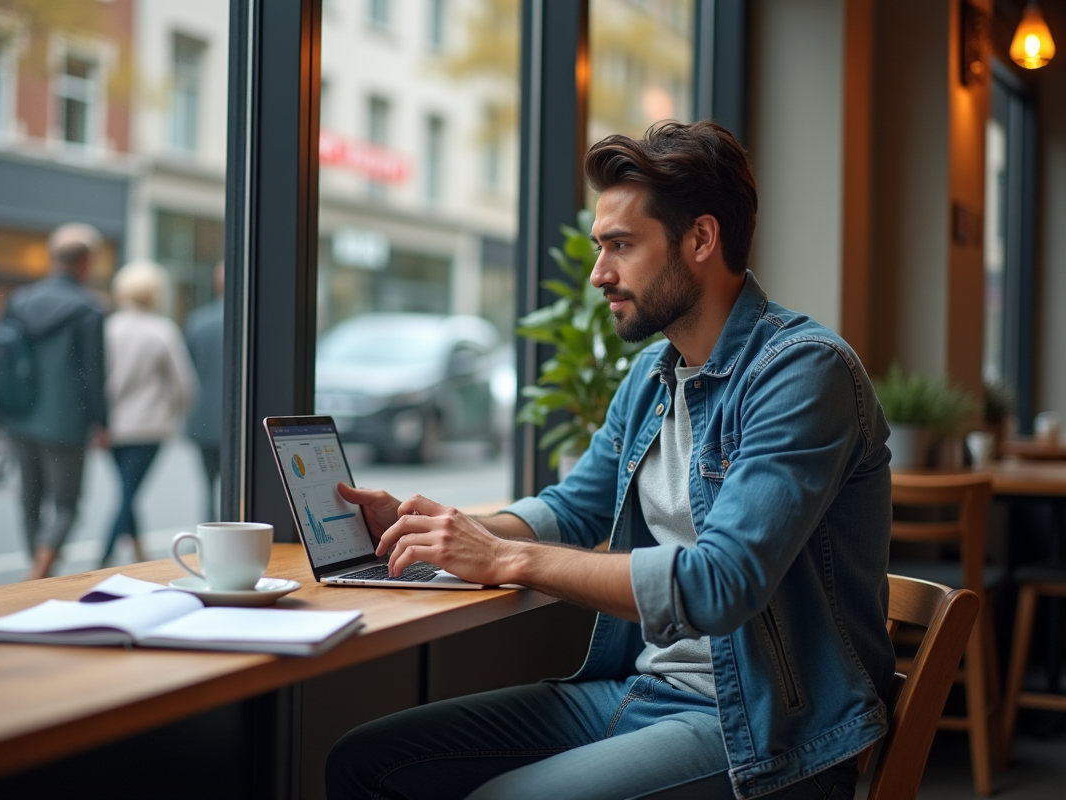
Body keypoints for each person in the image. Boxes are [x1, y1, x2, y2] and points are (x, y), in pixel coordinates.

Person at [326, 121, 894, 800]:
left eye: (620, 246)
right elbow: (574, 506)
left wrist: (506, 559)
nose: (599, 274)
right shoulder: (655, 375)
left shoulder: (802, 372)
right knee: (364, 761)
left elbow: (721, 583)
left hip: (764, 728)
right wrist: (443, 530)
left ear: (701, 240)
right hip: (644, 691)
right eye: (601, 248)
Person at [3, 223, 108, 581]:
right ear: (85, 264)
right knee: (66, 504)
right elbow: (93, 373)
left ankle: (38, 569)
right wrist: (102, 421)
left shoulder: (19, 301)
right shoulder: (89, 309)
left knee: (29, 500)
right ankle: (41, 572)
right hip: (67, 420)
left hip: (20, 416)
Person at [98, 260, 196, 567]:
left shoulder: (107, 328)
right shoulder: (162, 331)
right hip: (150, 427)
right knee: (129, 494)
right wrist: (176, 413)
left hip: (112, 427)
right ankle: (105, 557)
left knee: (128, 490)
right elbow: (184, 385)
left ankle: (138, 555)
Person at [184, 261, 224, 521]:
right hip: (238, 421)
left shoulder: (198, 321)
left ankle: (209, 534)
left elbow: (186, 370)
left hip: (202, 417)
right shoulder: (254, 320)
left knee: (208, 485)